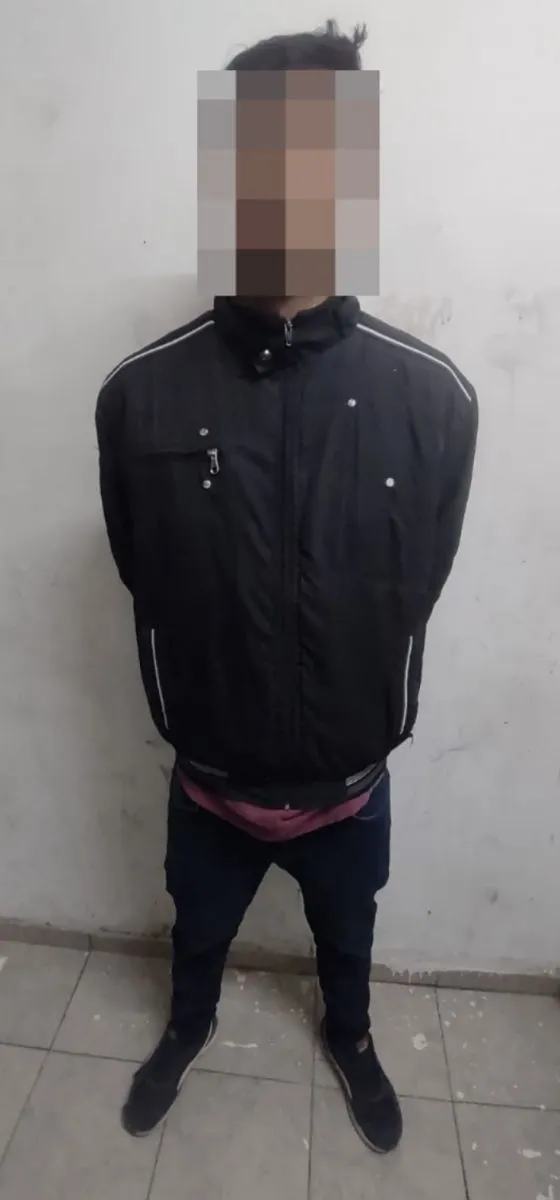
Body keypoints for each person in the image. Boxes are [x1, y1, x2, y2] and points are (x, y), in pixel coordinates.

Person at [96, 21, 478, 1154]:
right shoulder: (140, 397)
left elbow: (419, 582)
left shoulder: (434, 399)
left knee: (346, 935)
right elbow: (141, 570)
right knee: (197, 928)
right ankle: (188, 1025)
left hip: (349, 785)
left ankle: (350, 1037)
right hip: (208, 779)